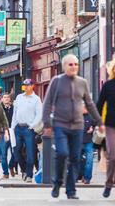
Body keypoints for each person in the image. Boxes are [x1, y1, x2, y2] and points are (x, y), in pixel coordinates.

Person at [42, 54, 103, 200]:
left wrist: (100, 122)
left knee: (75, 158)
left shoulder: (82, 82)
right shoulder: (56, 82)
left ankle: (71, 190)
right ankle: (57, 182)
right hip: (60, 124)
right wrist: (47, 124)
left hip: (77, 126)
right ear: (64, 66)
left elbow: (89, 104)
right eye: (71, 64)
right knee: (62, 153)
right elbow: (47, 103)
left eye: (76, 64)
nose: (74, 67)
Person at [11, 79, 42, 183]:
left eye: (28, 85)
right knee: (16, 151)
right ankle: (24, 170)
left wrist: (32, 126)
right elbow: (15, 113)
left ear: (32, 86)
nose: (26, 87)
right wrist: (13, 126)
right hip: (18, 127)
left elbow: (39, 114)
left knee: (30, 152)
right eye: (24, 85)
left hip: (29, 128)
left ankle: (29, 174)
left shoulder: (36, 99)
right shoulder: (19, 97)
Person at [97, 58, 115, 198]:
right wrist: (99, 123)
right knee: (113, 156)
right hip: (110, 125)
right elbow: (99, 104)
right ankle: (109, 184)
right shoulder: (108, 86)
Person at [0, 92, 17, 178]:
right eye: (5, 97)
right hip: (2, 133)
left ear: (10, 99)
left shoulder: (14, 108)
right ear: (2, 99)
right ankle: (5, 173)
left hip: (12, 132)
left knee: (15, 152)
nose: (6, 99)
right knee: (3, 154)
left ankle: (11, 165)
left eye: (8, 97)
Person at [79, 104, 96, 184]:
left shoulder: (91, 116)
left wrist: (92, 128)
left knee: (89, 160)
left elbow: (96, 124)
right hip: (78, 142)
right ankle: (78, 176)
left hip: (88, 142)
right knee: (78, 161)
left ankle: (87, 178)